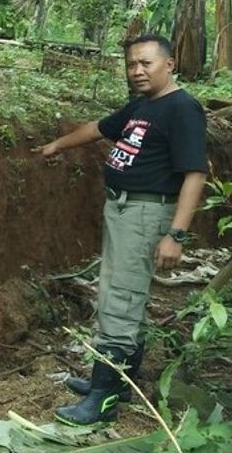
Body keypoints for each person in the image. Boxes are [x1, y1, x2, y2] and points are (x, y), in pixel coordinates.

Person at [36, 34, 208, 427]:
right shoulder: (143, 105)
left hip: (146, 213)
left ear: (170, 63)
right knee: (124, 293)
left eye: (146, 63)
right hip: (123, 208)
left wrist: (176, 235)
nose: (137, 71)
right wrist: (57, 145)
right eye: (132, 64)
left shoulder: (182, 109)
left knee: (120, 300)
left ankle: (103, 399)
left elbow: (195, 174)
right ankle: (121, 382)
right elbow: (99, 128)